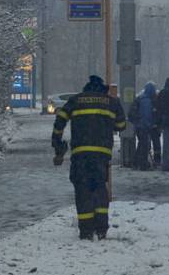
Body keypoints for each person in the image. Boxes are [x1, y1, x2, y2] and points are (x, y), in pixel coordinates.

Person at [51, 75, 126, 240]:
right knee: (99, 188)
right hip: (102, 154)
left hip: (81, 153)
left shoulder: (76, 100)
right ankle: (101, 229)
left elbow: (60, 121)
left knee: (82, 189)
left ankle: (86, 231)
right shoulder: (111, 102)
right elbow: (121, 125)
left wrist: (58, 145)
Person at [128, 82, 157, 170]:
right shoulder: (147, 101)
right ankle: (143, 164)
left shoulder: (140, 98)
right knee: (144, 145)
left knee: (141, 144)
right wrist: (150, 125)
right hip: (144, 126)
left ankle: (136, 162)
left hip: (139, 126)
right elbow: (147, 115)